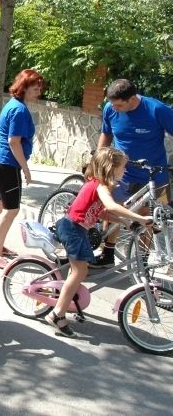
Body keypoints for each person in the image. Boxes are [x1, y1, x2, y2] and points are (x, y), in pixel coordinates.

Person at [45, 147, 152, 337]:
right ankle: (57, 314)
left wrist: (127, 222)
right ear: (111, 168)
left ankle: (68, 301)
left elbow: (101, 212)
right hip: (73, 229)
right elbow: (111, 206)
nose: (125, 171)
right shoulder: (100, 186)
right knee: (80, 271)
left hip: (77, 229)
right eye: (123, 168)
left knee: (77, 270)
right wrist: (141, 218)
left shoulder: (98, 185)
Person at [95, 78, 173, 268]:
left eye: (118, 104)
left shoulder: (156, 109)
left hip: (155, 176)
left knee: (150, 218)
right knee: (114, 208)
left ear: (132, 99)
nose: (114, 108)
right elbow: (106, 133)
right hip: (122, 174)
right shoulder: (110, 109)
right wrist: (97, 162)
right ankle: (107, 253)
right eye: (112, 103)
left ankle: (142, 262)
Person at [0, 68, 45, 269]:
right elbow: (14, 142)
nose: (39, 93)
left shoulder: (12, 104)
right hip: (7, 164)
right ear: (25, 88)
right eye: (35, 89)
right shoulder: (19, 110)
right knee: (12, 210)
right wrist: (25, 169)